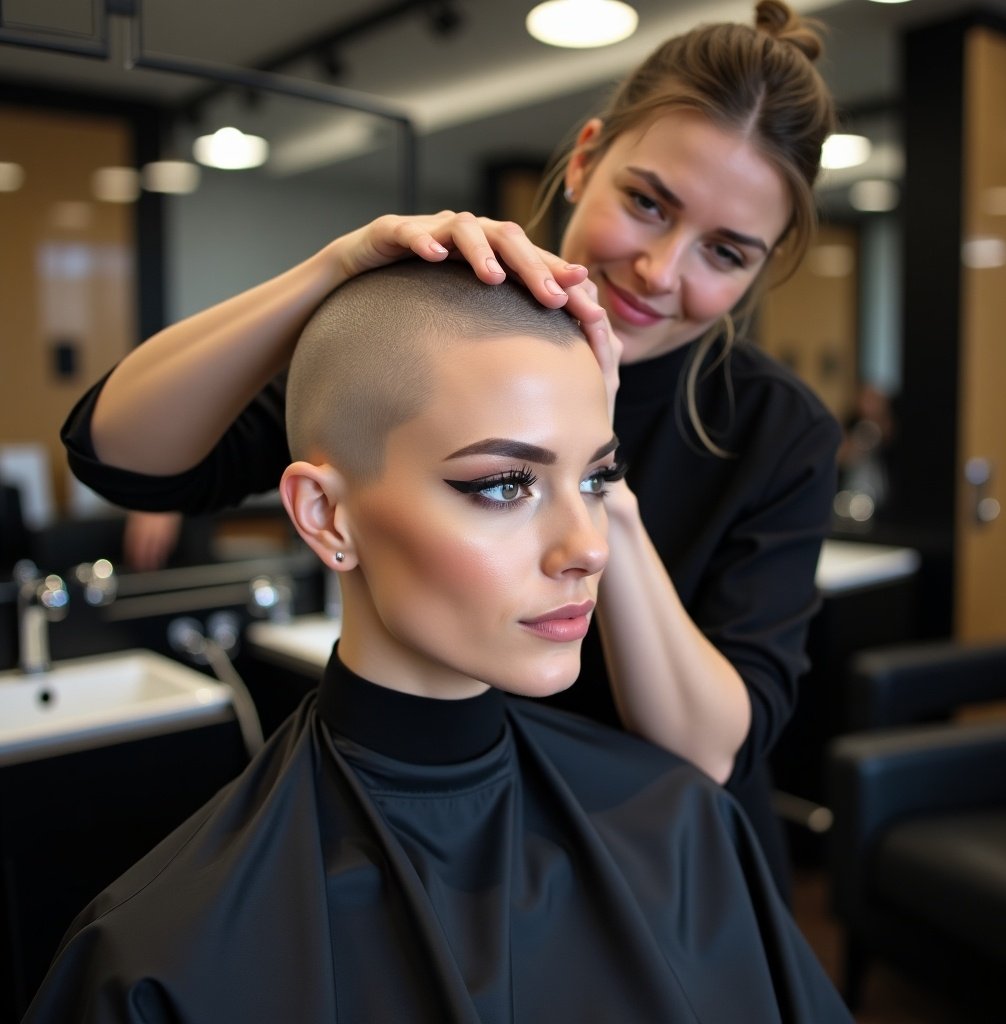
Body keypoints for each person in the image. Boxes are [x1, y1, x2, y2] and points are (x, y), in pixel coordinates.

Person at [60, 0, 840, 897]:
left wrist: (596, 483)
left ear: (763, 265)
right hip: (440, 844)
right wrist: (334, 272)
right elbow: (117, 452)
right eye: (646, 203)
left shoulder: (781, 431)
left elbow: (709, 749)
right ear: (586, 158)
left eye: (726, 253)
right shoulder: (452, 338)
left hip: (665, 874)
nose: (662, 271)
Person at [27, 262, 853, 1023]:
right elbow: (114, 443)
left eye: (597, 478)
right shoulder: (158, 958)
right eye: (502, 484)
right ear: (325, 516)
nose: (590, 547)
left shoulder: (682, 830)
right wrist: (337, 264)